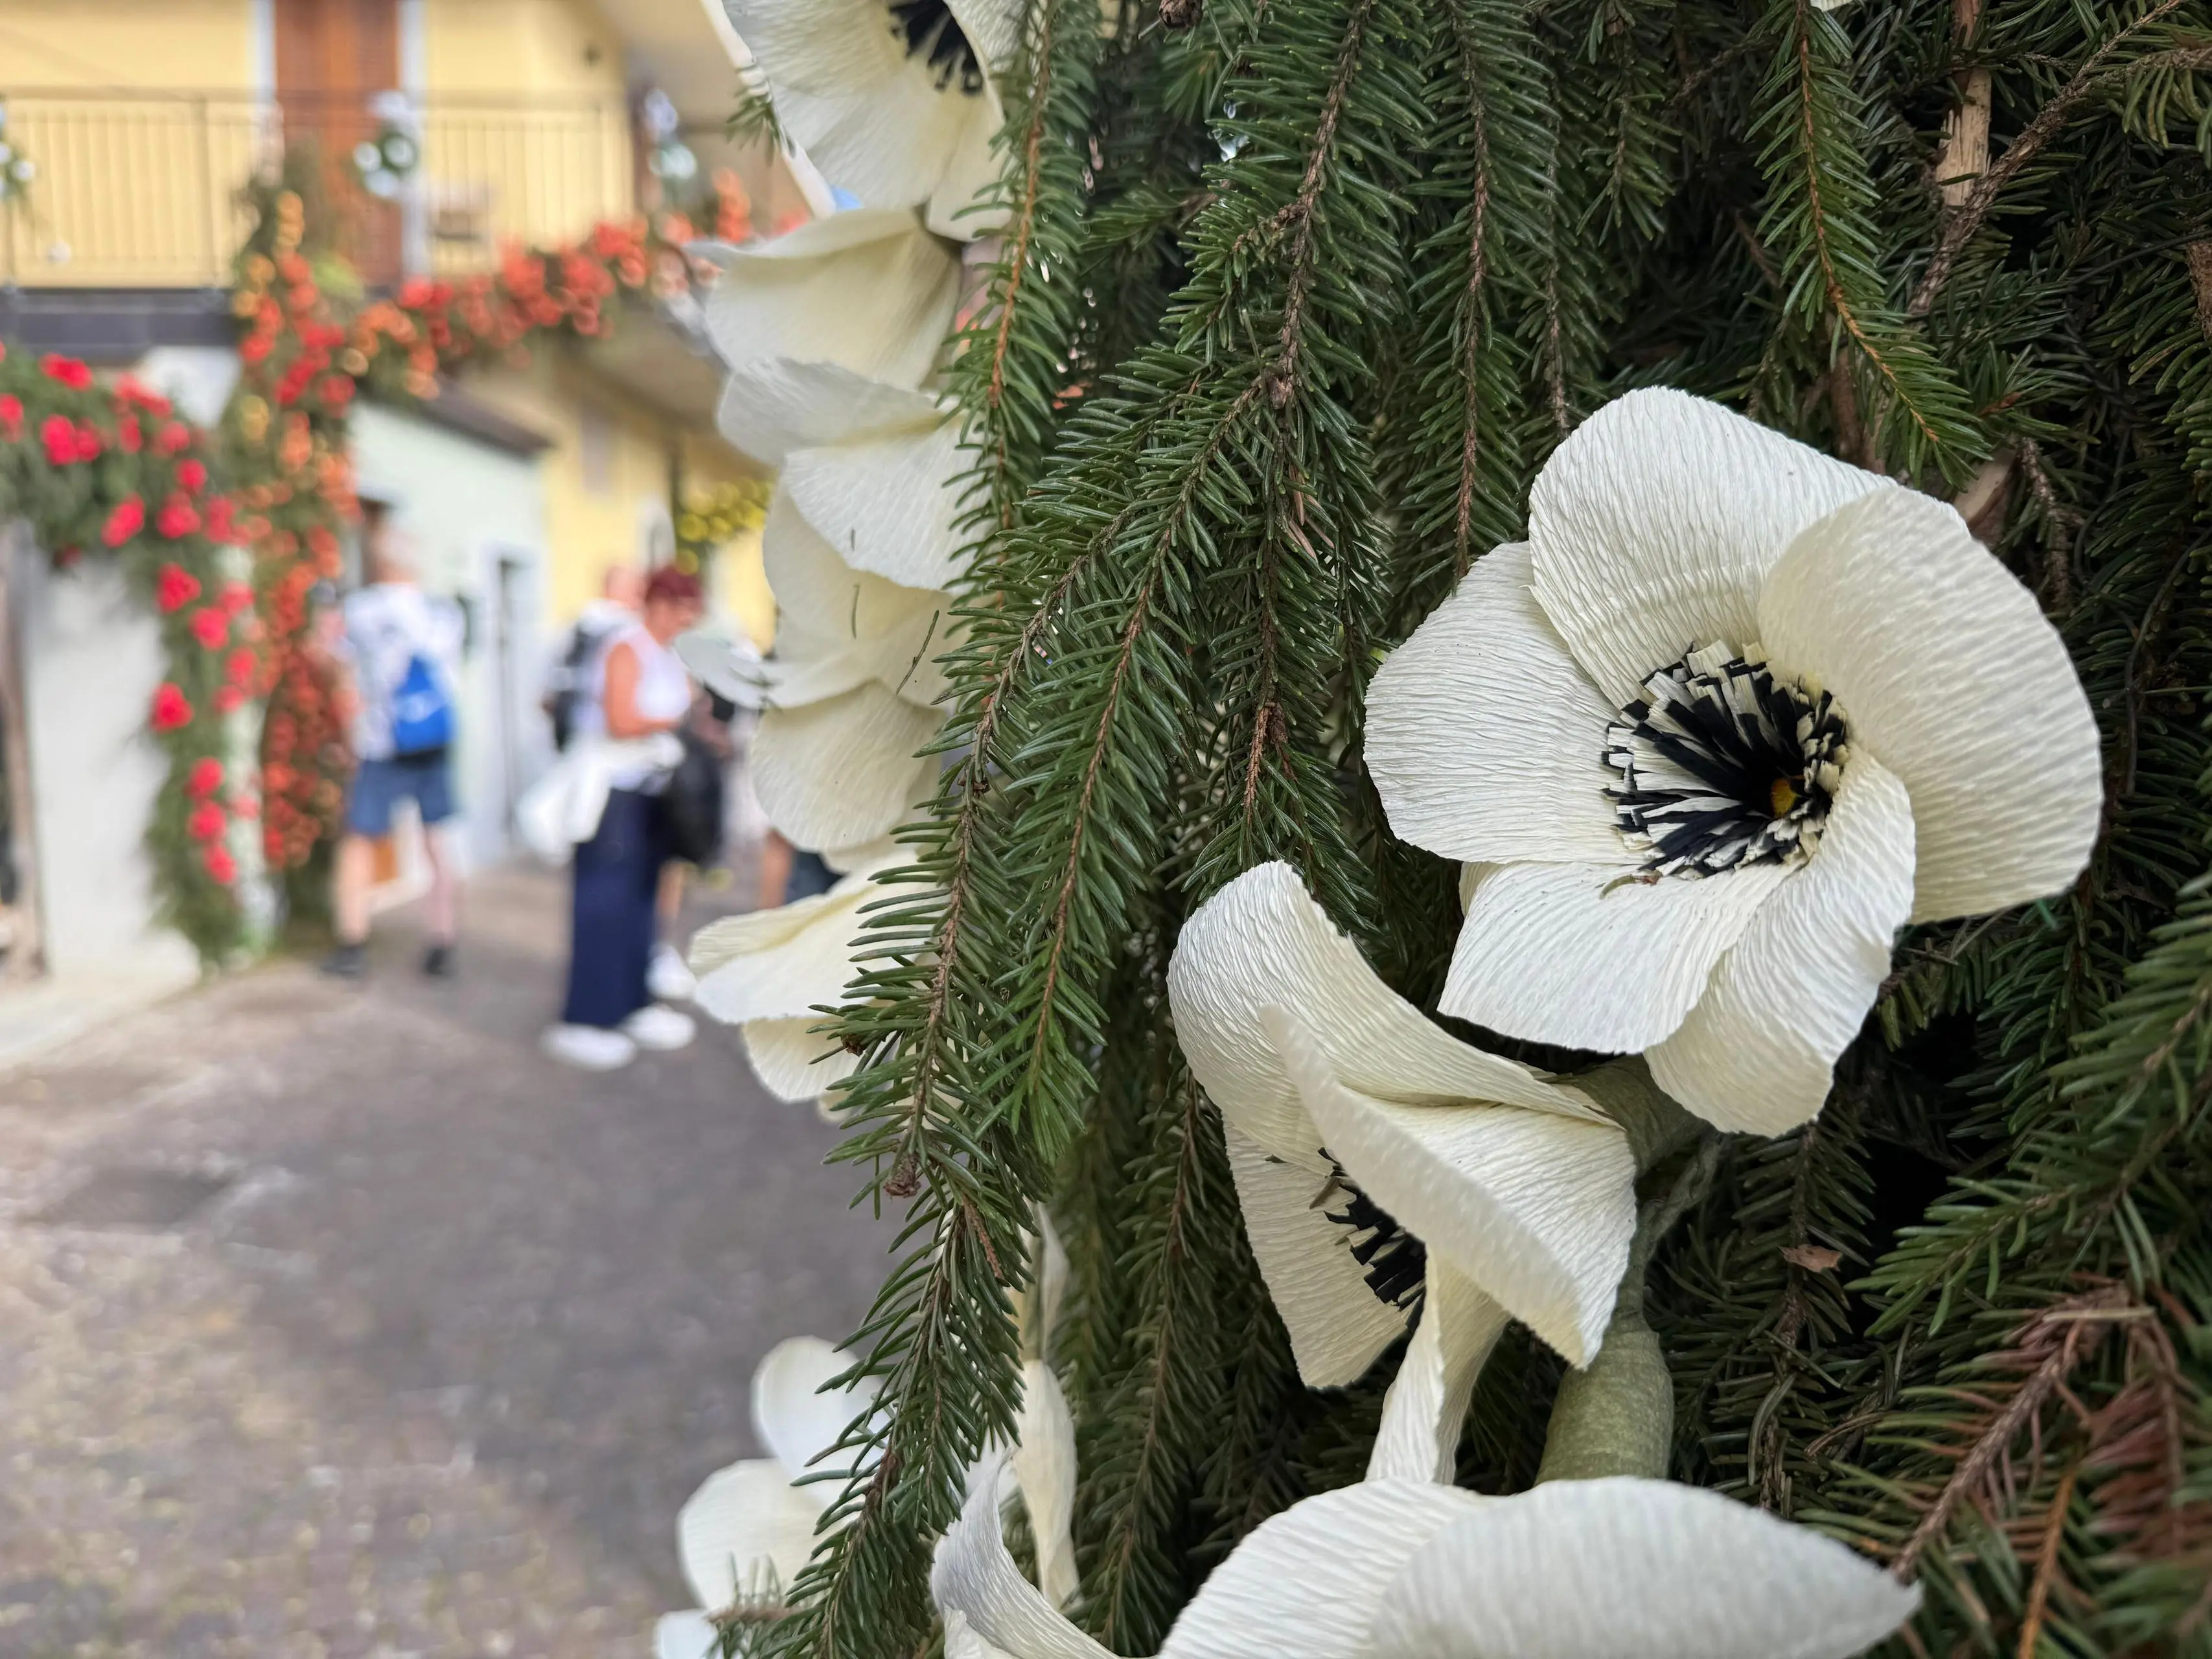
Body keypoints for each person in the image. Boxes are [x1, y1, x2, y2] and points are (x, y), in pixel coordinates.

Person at [542, 566, 706, 1071]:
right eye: (682, 609)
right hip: (613, 795)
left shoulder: (667, 655)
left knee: (640, 903)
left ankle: (633, 1001)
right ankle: (587, 1016)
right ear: (659, 604)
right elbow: (620, 719)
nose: (687, 620)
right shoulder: (624, 647)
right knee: (603, 904)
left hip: (652, 793)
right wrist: (674, 723)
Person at [322, 515, 465, 981]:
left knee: (360, 841)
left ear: (378, 561)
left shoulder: (362, 611)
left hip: (380, 743)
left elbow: (330, 659)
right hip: (433, 740)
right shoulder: (444, 613)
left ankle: (352, 944)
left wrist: (323, 622)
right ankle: (442, 942)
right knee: (437, 842)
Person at [543, 564, 643, 752]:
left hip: (576, 725)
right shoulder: (627, 627)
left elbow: (549, 683)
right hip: (612, 732)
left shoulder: (579, 622)